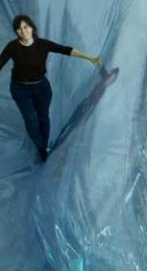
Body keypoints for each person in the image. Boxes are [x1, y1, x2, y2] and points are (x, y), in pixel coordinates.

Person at [0, 15, 102, 161]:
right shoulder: (12, 47)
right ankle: (40, 147)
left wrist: (90, 58)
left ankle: (44, 147)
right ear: (16, 32)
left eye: (25, 27)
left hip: (41, 88)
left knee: (43, 118)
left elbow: (66, 50)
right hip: (20, 90)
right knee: (30, 120)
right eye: (19, 29)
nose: (23, 31)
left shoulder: (43, 44)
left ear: (32, 27)